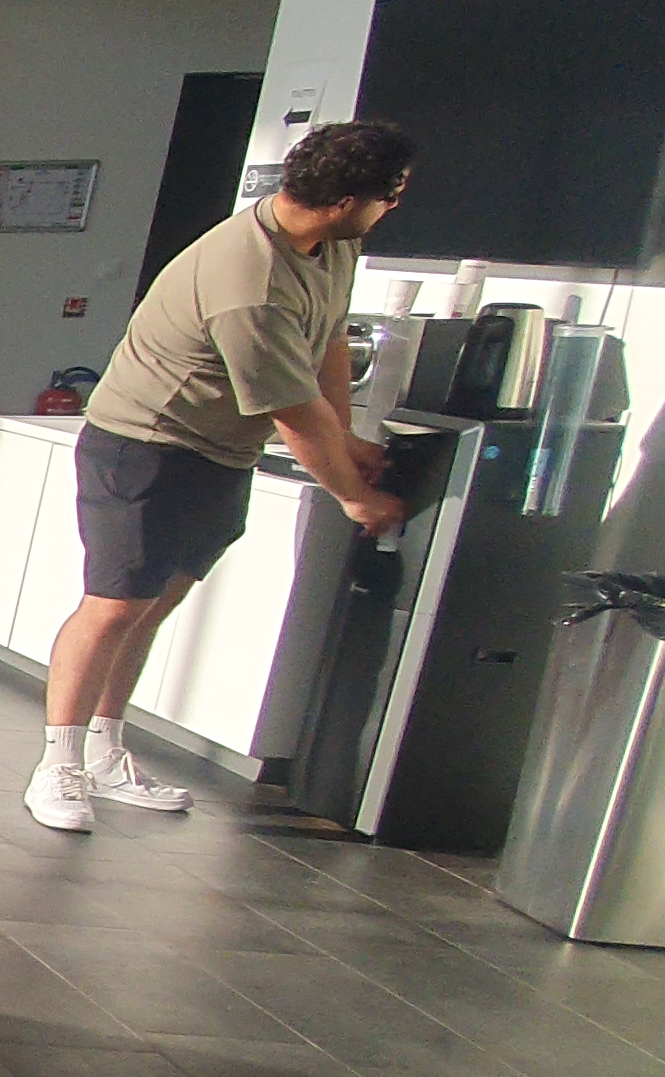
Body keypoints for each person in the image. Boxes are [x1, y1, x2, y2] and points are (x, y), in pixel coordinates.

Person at [27, 120, 418, 833]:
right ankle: (57, 765)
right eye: (389, 196)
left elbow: (328, 339)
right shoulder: (250, 282)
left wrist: (346, 432)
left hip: (220, 451)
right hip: (144, 446)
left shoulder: (335, 245)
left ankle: (106, 751)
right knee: (113, 605)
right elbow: (292, 413)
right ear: (344, 200)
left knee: (154, 603)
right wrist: (353, 496)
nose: (392, 208)